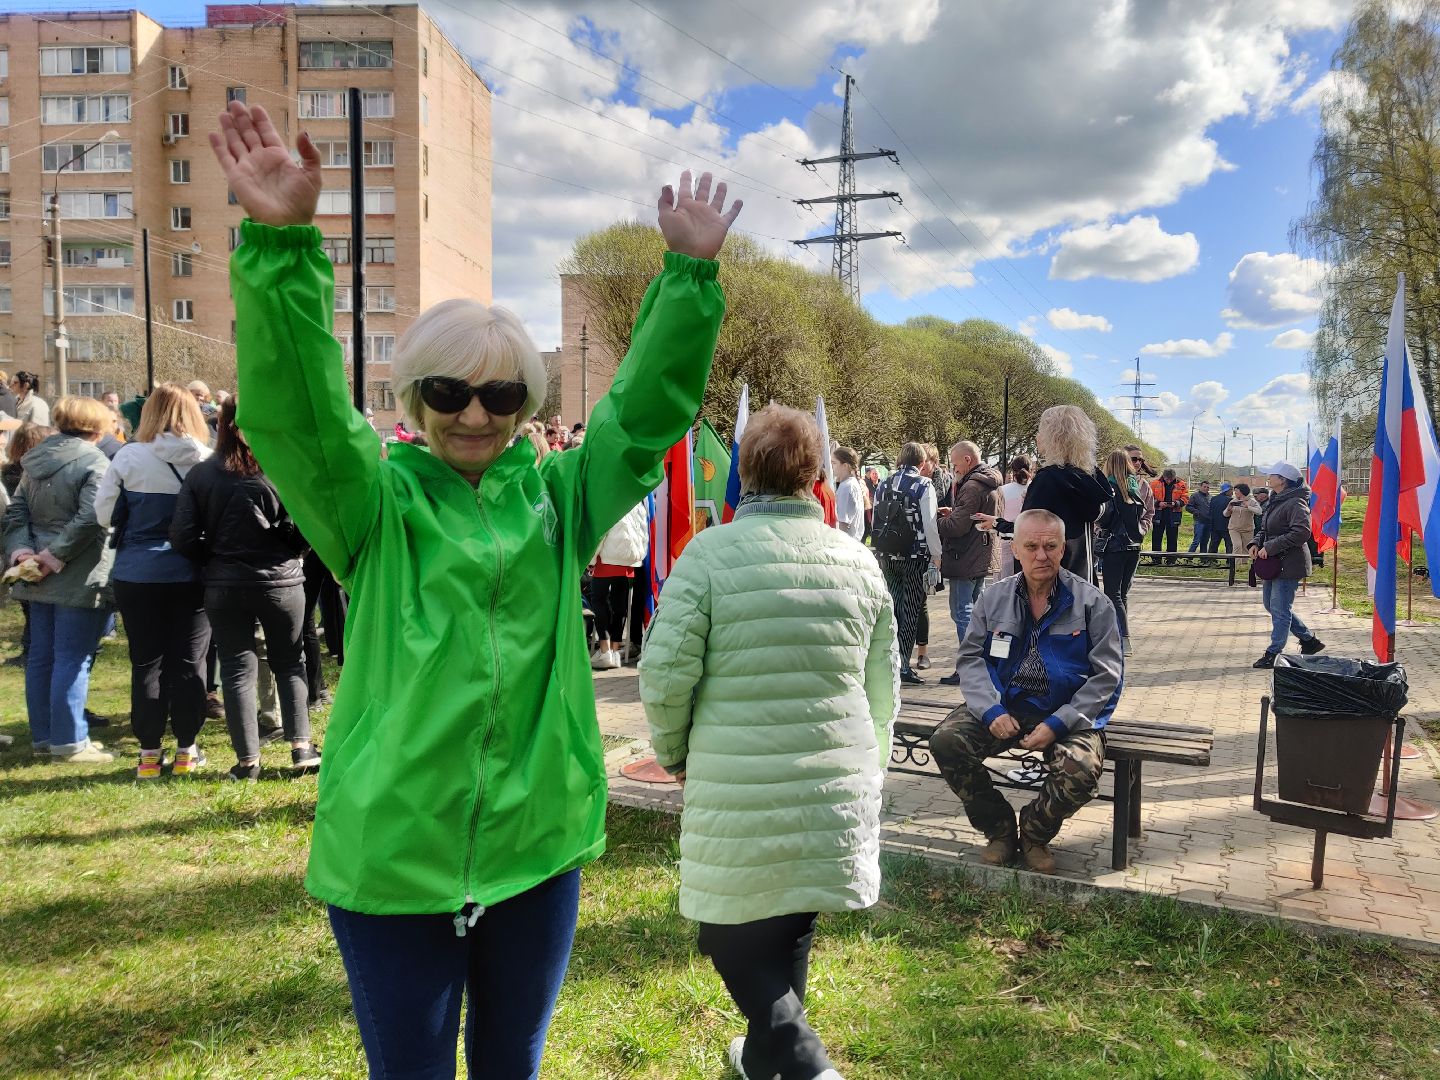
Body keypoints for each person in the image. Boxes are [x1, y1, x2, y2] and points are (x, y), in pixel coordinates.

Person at [209, 99, 742, 1077]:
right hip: (393, 858)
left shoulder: (560, 500)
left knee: (512, 1068)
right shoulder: (373, 507)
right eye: (449, 391)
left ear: (526, 406)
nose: (474, 414)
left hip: (534, 854)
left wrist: (690, 279)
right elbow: (300, 416)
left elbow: (641, 413)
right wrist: (281, 245)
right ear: (415, 398)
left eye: (501, 395)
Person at [638, 404, 896, 1080]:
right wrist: (871, 772)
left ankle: (809, 1067)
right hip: (833, 778)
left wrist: (672, 752)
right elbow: (883, 687)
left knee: (729, 933)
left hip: (740, 780)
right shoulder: (857, 562)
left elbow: (665, 675)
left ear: (743, 470)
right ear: (814, 474)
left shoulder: (710, 554)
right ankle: (764, 1060)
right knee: (788, 921)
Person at [930, 509, 1122, 873]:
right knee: (946, 742)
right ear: (1015, 548)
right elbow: (971, 659)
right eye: (1031, 546)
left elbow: (1107, 677)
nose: (1041, 555)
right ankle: (1000, 830)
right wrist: (990, 710)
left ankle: (1034, 833)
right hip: (1006, 705)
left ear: (1063, 549)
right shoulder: (994, 597)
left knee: (1079, 769)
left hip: (1066, 712)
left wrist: (1060, 723)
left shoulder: (1093, 603)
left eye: (1050, 546)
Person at [169, 397, 319, 778]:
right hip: (281, 581)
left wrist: (215, 557)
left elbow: (182, 535)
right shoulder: (284, 469)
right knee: (289, 662)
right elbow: (307, 529)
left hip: (226, 582)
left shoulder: (203, 474)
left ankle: (248, 761)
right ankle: (301, 748)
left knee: (238, 669)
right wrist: (289, 548)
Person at [94, 384, 214, 779]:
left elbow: (104, 514)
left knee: (146, 661)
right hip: (190, 573)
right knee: (189, 662)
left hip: (137, 571)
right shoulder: (206, 460)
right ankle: (187, 750)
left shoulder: (129, 456)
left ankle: (148, 754)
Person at [2, 397, 115, 762]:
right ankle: (70, 741)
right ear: (97, 428)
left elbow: (17, 513)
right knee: (72, 657)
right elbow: (91, 518)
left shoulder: (33, 460)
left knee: (42, 656)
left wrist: (22, 553)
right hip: (75, 570)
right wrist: (51, 557)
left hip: (36, 568)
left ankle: (45, 736)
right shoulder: (95, 461)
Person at [973, 405, 1110, 583]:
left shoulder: (1048, 480)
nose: (1037, 437)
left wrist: (996, 523)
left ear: (1052, 437)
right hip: (1084, 580)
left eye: (1041, 430)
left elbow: (1026, 532)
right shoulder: (1090, 479)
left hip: (1051, 582)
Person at [871, 441, 942, 685]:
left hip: (887, 554)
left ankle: (888, 662)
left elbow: (876, 518)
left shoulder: (883, 483)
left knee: (892, 607)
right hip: (914, 555)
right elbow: (930, 524)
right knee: (910, 610)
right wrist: (937, 554)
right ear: (922, 463)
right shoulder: (924, 484)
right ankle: (902, 663)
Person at [937, 440, 1001, 687]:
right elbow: (969, 518)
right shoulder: (989, 482)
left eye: (955, 463)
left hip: (964, 557)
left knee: (962, 613)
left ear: (967, 459)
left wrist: (936, 522)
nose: (954, 469)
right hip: (981, 554)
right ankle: (980, 664)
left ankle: (968, 667)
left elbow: (958, 526)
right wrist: (953, 513)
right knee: (976, 613)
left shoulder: (972, 486)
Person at [1249, 462, 1325, 669]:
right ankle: (1309, 640)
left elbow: (1302, 533)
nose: (1268, 477)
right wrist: (1256, 542)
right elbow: (1265, 528)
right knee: (1271, 605)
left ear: (1283, 480)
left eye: (1272, 474)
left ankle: (1273, 653)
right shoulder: (1276, 499)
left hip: (1289, 563)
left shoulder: (1295, 503)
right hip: (1273, 562)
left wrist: (1271, 546)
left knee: (1280, 609)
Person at [1097, 449, 1146, 657]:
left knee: (1112, 594)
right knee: (1122, 594)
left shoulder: (1109, 487)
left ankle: (1123, 639)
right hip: (1134, 545)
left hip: (1115, 545)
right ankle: (1121, 635)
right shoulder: (1134, 487)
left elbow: (1105, 518)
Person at [589, 499, 648, 670]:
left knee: (598, 599)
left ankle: (605, 649)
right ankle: (615, 652)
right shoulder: (637, 502)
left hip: (607, 557)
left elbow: (601, 533)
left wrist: (591, 559)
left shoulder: (610, 499)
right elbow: (644, 532)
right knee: (619, 605)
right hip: (628, 560)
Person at [997, 455, 1031, 577]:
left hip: (1006, 538)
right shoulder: (1035, 489)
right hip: (1029, 539)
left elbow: (997, 515)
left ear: (1012, 471)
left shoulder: (1002, 490)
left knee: (1005, 583)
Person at [1149, 468, 1188, 566]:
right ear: (1163, 477)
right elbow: (1149, 498)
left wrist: (1176, 503)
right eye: (1167, 479)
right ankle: (1156, 559)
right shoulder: (1154, 484)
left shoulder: (1182, 484)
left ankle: (1171, 560)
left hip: (1174, 514)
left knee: (1172, 538)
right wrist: (1158, 503)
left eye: (1171, 479)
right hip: (1159, 514)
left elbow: (1186, 498)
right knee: (1156, 537)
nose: (1169, 481)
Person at [832, 446, 866, 541]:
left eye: (834, 463)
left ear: (845, 465)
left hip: (846, 543)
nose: (832, 467)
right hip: (852, 542)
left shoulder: (847, 487)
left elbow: (843, 523)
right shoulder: (850, 483)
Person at [1225, 482, 1262, 561]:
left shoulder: (1252, 502)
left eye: (1236, 491)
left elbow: (1259, 511)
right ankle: (1237, 564)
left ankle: (1244, 564)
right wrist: (1228, 509)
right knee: (1237, 545)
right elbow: (1225, 514)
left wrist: (1248, 507)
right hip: (1234, 528)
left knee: (1246, 547)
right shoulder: (1233, 501)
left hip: (1247, 529)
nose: (1234, 493)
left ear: (1242, 492)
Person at [1207, 482, 1235, 553]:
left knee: (1213, 544)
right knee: (1229, 545)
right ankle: (1229, 561)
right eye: (1232, 490)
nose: (1232, 492)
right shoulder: (1230, 500)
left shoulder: (1213, 499)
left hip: (1215, 526)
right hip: (1226, 526)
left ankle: (1211, 560)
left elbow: (1210, 512)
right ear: (1228, 490)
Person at [1185, 480, 1212, 554]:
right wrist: (1196, 512)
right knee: (1196, 541)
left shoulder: (1210, 497)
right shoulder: (1195, 496)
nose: (1206, 488)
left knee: (1205, 542)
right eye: (1204, 487)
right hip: (1199, 521)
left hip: (1208, 522)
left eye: (1208, 487)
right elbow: (1188, 507)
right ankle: (1188, 558)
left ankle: (1203, 559)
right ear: (1200, 487)